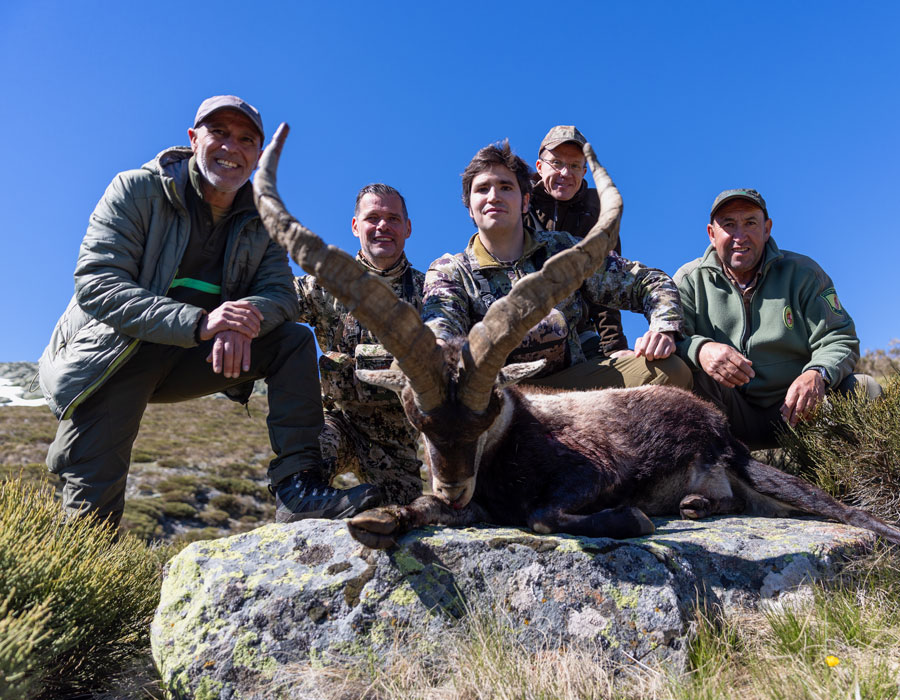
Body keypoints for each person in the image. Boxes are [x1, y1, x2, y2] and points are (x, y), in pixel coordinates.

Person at [39, 95, 372, 529]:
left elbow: (279, 294)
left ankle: (298, 487)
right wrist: (201, 322)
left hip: (193, 355)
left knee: (291, 341)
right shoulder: (136, 189)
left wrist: (241, 320)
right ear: (193, 139)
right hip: (113, 355)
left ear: (256, 156)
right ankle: (74, 577)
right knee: (91, 515)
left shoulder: (263, 218)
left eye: (246, 140)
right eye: (219, 133)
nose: (231, 147)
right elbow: (98, 283)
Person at [422, 141, 691, 390]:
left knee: (670, 371)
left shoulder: (563, 248)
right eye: (482, 189)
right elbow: (440, 327)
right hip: (498, 398)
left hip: (572, 392)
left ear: (525, 201)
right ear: (469, 206)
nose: (493, 196)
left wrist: (662, 328)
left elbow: (649, 281)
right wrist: (437, 348)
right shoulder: (450, 270)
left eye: (506, 187)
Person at [674, 188, 882, 449]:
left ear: (767, 229)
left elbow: (839, 337)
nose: (739, 236)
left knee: (864, 388)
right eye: (728, 225)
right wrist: (700, 349)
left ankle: (864, 485)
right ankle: (704, 480)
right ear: (711, 234)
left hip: (799, 411)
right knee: (686, 374)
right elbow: (673, 339)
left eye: (750, 222)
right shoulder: (689, 281)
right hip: (725, 416)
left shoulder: (804, 273)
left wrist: (817, 374)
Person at [296, 183, 426, 506]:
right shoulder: (326, 283)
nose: (383, 226)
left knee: (404, 520)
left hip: (397, 445)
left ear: (407, 228)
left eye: (393, 219)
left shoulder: (430, 295)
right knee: (300, 459)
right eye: (373, 218)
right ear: (355, 226)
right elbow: (276, 300)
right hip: (337, 423)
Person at [527, 125, 628, 355]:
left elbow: (608, 284)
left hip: (578, 334)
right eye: (557, 163)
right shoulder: (519, 204)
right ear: (540, 167)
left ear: (584, 172)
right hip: (522, 331)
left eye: (574, 166)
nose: (565, 173)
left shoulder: (599, 212)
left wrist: (614, 347)